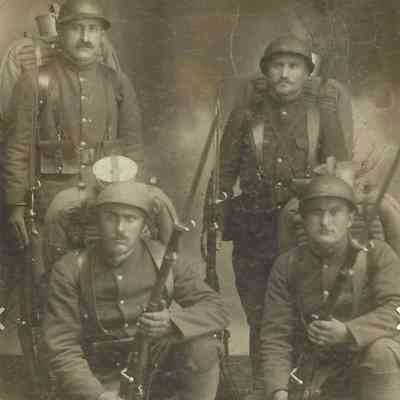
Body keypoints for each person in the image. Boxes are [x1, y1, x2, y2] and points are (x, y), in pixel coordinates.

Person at [218, 35, 352, 398]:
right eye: (277, 66)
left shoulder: (321, 113)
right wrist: (213, 218)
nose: (285, 74)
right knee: (258, 309)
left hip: (301, 227)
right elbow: (224, 172)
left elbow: (340, 171)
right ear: (265, 71)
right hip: (254, 227)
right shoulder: (247, 113)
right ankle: (265, 385)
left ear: (307, 73)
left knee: (300, 304)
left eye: (294, 66)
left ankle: (303, 382)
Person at [43, 181, 229, 400]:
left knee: (204, 348)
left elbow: (216, 308)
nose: (120, 229)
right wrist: (97, 395)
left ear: (143, 226)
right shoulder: (70, 269)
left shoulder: (164, 259)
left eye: (130, 219)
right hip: (99, 375)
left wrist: (172, 323)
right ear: (97, 221)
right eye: (110, 217)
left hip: (159, 368)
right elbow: (62, 346)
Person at [3, 0, 144, 251]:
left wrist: (131, 200)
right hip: (49, 205)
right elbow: (16, 149)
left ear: (101, 36)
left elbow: (133, 149)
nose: (85, 38)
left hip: (105, 201)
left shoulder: (118, 83)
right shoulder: (33, 82)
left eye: (93, 29)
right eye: (76, 28)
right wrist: (16, 205)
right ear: (60, 31)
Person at [260, 174, 400, 400]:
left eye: (335, 212)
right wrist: (279, 390)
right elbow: (276, 334)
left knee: (383, 353)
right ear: (304, 218)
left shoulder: (378, 254)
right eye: (316, 212)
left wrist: (349, 332)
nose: (325, 222)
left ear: (350, 218)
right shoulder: (287, 265)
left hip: (368, 367)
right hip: (316, 371)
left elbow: (397, 308)